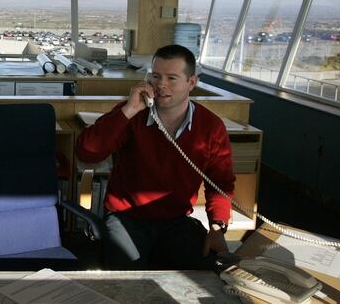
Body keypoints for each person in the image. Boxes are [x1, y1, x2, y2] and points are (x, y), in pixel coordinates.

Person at [76, 44, 235, 270]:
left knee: (208, 272)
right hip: (127, 217)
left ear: (192, 82)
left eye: (172, 78)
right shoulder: (131, 114)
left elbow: (220, 182)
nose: (161, 85)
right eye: (156, 76)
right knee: (124, 279)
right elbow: (87, 152)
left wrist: (217, 227)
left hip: (176, 219)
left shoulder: (210, 127)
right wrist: (129, 111)